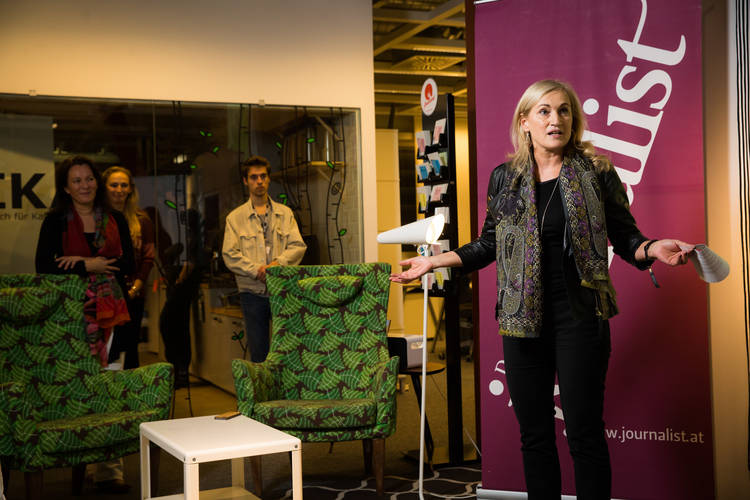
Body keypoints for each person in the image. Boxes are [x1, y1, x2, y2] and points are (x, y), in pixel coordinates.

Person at [390, 79, 695, 500]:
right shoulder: (505, 178)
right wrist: (433, 262)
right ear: (525, 122)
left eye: (564, 110)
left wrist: (654, 248)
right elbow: (489, 243)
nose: (556, 119)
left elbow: (626, 238)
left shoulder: (597, 172)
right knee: (534, 437)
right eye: (545, 111)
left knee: (584, 434)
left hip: (580, 318)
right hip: (521, 321)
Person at [35, 155, 134, 494]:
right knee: (79, 389)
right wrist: (88, 265)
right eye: (76, 180)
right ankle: (80, 461)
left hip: (112, 316)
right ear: (66, 187)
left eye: (89, 178)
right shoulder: (55, 221)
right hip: (70, 317)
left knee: (110, 387)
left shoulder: (115, 219)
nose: (84, 185)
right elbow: (43, 266)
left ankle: (109, 470)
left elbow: (127, 265)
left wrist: (80, 261)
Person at [222, 155, 306, 362]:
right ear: (246, 181)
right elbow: (229, 254)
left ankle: (284, 385)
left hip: (282, 290)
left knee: (287, 350)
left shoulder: (285, 213)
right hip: (252, 293)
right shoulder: (235, 218)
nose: (259, 181)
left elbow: (298, 246)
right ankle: (262, 385)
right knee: (259, 352)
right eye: (253, 177)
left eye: (263, 176)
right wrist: (256, 270)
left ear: (268, 179)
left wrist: (277, 265)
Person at [103, 166, 155, 369]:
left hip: (133, 293)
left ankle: (131, 388)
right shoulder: (97, 218)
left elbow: (148, 257)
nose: (119, 189)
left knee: (130, 347)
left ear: (131, 189)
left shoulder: (142, 219)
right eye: (114, 185)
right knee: (107, 348)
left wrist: (135, 288)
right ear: (105, 187)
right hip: (103, 293)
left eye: (124, 185)